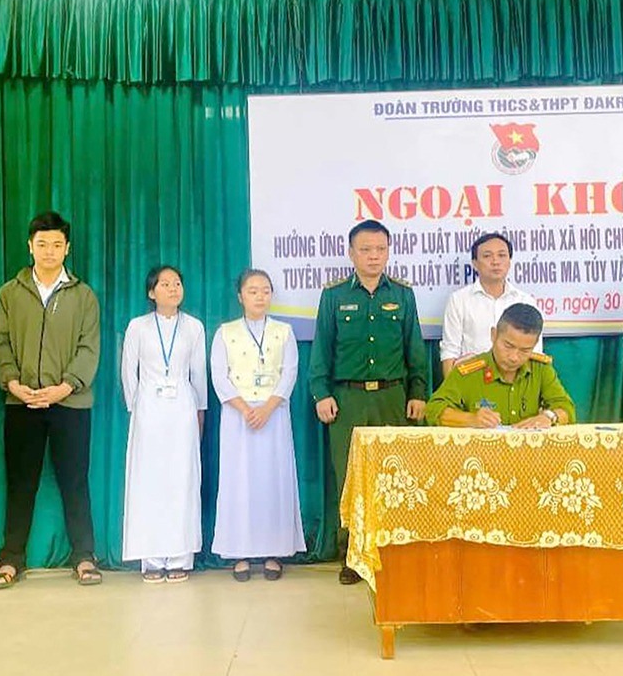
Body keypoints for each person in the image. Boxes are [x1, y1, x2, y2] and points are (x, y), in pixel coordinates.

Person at [308, 219, 429, 584]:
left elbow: (414, 347)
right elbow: (322, 347)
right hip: (348, 400)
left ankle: (394, 551)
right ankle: (352, 556)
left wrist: (418, 392)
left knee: (396, 475)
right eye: (365, 250)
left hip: (394, 397)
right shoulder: (334, 296)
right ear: (351, 253)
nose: (374, 256)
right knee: (351, 479)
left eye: (380, 249)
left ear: (388, 252)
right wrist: (321, 393)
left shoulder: (403, 294)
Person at [0, 211, 102, 589]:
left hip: (70, 404)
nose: (49, 251)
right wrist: (13, 383)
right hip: (22, 403)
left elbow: (89, 347)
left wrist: (65, 387)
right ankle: (10, 560)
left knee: (75, 482)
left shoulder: (83, 295)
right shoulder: (10, 292)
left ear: (67, 248)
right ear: (30, 247)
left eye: (56, 244)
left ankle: (84, 556)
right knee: (21, 484)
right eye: (42, 244)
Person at [210, 269, 305, 582]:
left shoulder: (284, 332)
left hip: (273, 414)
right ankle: (239, 553)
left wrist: (266, 408)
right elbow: (219, 377)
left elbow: (289, 373)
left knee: (273, 480)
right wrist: (245, 409)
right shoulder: (225, 333)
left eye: (265, 290)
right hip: (238, 416)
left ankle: (273, 552)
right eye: (253, 291)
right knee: (239, 481)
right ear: (240, 296)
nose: (260, 297)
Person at [121, 266, 207, 584]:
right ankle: (152, 559)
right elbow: (128, 372)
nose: (173, 289)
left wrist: (199, 411)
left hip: (182, 408)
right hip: (148, 408)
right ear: (151, 292)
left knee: (182, 479)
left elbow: (199, 374)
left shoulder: (194, 327)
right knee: (150, 481)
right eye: (165, 284)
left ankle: (181, 557)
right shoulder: (138, 327)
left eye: (177, 283)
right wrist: (136, 408)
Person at [426, 303, 574, 428]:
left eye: (525, 350)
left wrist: (549, 417)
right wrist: (471, 419)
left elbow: (566, 408)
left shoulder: (541, 369)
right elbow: (433, 410)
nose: (514, 357)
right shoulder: (468, 372)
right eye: (508, 346)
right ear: (494, 335)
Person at [440, 232, 542, 376]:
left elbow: (535, 352)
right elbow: (449, 351)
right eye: (487, 256)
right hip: (473, 378)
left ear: (509, 261)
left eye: (502, 255)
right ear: (475, 264)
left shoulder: (525, 301)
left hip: (515, 380)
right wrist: (451, 388)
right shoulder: (459, 300)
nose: (495, 261)